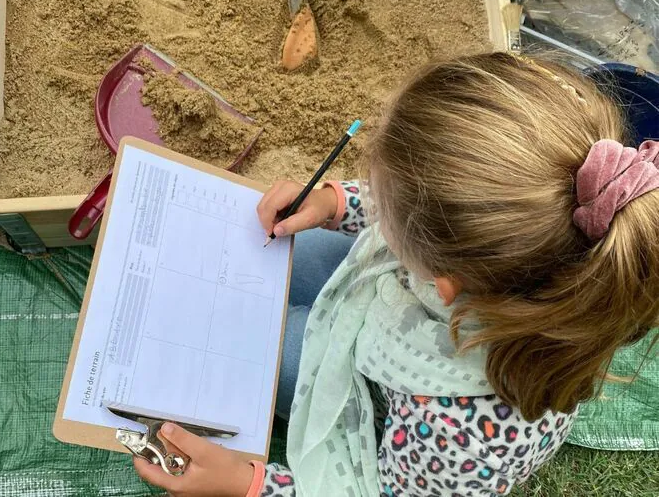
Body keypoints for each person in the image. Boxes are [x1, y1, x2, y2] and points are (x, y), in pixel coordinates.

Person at [134, 52, 659, 496]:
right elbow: (420, 215)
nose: (375, 202)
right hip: (411, 315)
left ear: (440, 276)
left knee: (257, 349)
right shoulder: (550, 241)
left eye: (383, 201)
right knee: (287, 253)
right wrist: (334, 203)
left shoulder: (456, 436)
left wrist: (246, 483)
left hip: (407, 394)